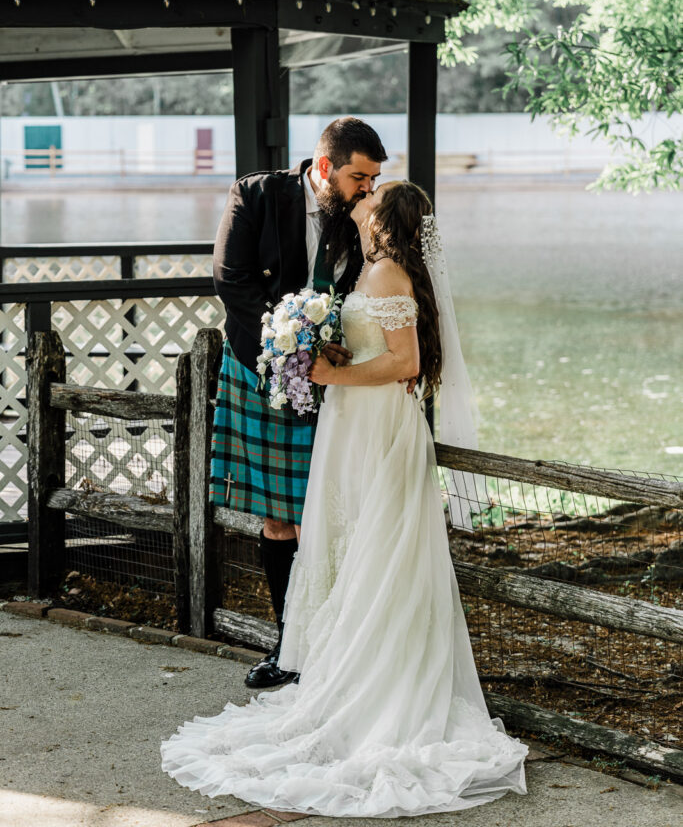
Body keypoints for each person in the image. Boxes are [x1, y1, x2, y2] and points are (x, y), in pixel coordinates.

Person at [161, 181, 528, 816]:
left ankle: (382, 685)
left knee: (379, 548)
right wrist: (329, 350)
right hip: (354, 423)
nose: (359, 203)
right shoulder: (374, 270)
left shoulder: (387, 276)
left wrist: (331, 373)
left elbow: (403, 363)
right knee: (355, 542)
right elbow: (377, 348)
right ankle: (349, 671)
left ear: (385, 219)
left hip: (376, 427)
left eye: (370, 197)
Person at [210, 116, 387, 688]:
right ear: (326, 167)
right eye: (360, 176)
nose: (369, 188)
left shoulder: (361, 214)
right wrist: (285, 349)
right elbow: (231, 281)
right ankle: (289, 647)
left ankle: (337, 645)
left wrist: (330, 356)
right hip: (264, 373)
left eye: (376, 178)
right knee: (281, 518)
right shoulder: (257, 194)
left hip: (335, 380)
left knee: (335, 512)